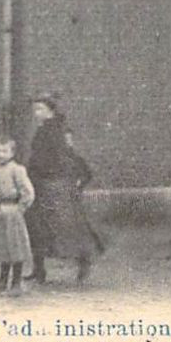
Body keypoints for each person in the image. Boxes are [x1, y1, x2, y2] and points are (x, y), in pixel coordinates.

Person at [23, 94, 100, 284]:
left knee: (64, 228)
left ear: (50, 110)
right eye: (35, 110)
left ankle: (83, 260)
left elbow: (61, 158)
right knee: (37, 227)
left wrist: (66, 182)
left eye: (40, 109)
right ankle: (38, 270)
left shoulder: (54, 131)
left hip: (52, 186)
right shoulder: (45, 129)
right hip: (40, 184)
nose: (36, 113)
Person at [0, 136, 35, 295]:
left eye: (4, 151)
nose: (0, 154)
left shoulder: (17, 170)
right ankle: (1, 281)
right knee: (1, 246)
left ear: (12, 152)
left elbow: (28, 193)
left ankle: (16, 283)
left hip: (11, 211)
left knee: (15, 246)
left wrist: (19, 209)